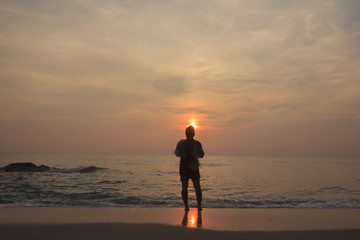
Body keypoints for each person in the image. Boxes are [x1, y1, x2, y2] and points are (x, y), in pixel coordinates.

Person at [175, 125, 204, 211]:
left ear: (185, 134)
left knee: (184, 188)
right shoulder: (197, 143)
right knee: (197, 187)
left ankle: (186, 206)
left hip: (183, 168)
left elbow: (177, 154)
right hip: (194, 168)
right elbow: (202, 155)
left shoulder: (181, 143)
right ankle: (199, 206)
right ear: (194, 134)